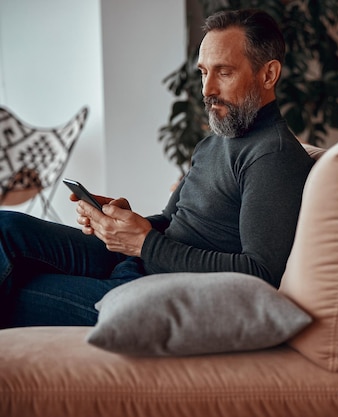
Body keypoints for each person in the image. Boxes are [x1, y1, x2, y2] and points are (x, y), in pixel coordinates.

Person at [0, 9, 314, 328]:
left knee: (16, 288)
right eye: (204, 72)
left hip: (157, 291)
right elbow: (169, 222)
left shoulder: (272, 156)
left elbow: (260, 273)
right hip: (136, 261)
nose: (207, 90)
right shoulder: (216, 141)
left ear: (268, 74)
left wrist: (144, 243)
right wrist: (122, 221)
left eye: (225, 72)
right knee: (6, 225)